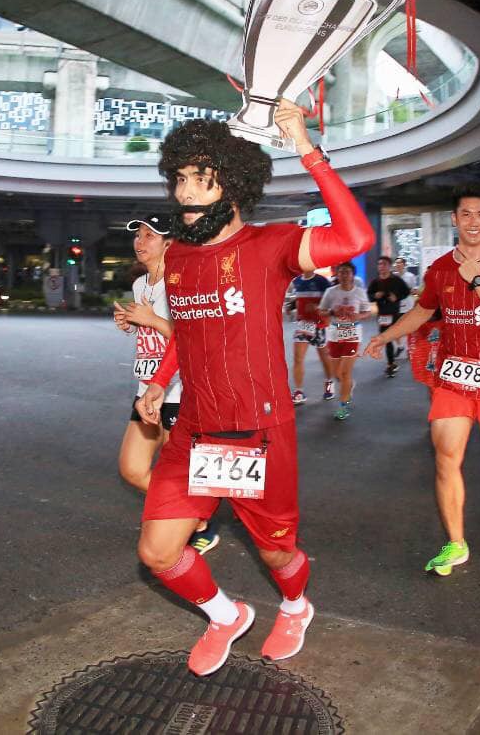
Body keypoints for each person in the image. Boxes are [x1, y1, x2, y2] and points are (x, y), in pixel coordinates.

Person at [134, 99, 374, 676]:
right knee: (158, 552)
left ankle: (295, 605)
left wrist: (306, 148)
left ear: (234, 185)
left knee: (276, 551)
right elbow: (187, 333)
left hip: (258, 433)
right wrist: (159, 382)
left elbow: (356, 236)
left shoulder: (274, 244)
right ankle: (225, 616)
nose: (185, 192)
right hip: (194, 430)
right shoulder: (179, 257)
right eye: (179, 179)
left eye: (201, 179)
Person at [365, 187, 480, 577]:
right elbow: (423, 311)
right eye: (466, 214)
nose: (474, 222)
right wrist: (385, 336)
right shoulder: (438, 269)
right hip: (453, 376)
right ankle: (456, 543)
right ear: (455, 220)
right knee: (445, 457)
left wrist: (478, 282)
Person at [113, 214, 221, 555]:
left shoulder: (183, 282)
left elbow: (193, 337)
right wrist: (132, 323)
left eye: (149, 235)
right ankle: (194, 516)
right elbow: (149, 330)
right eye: (138, 235)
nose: (140, 242)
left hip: (179, 391)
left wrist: (153, 320)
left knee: (181, 471)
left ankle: (194, 525)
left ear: (169, 243)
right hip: (146, 389)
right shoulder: (139, 284)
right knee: (132, 468)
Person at [319, 262, 372, 420]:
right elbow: (321, 311)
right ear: (337, 274)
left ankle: (343, 406)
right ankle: (348, 385)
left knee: (345, 372)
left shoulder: (360, 292)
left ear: (352, 275)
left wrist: (359, 316)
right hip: (335, 334)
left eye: (347, 272)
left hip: (353, 334)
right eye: (341, 272)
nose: (344, 275)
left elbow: (367, 312)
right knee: (337, 373)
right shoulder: (330, 292)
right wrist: (331, 312)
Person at [283, 269, 333, 404]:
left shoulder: (322, 281)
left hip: (320, 324)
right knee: (298, 358)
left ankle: (329, 384)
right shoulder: (297, 281)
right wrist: (291, 306)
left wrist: (317, 307)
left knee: (324, 358)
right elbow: (298, 299)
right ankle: (299, 391)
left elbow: (331, 302)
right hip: (303, 325)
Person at [367, 256, 411, 378]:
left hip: (394, 313)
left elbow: (406, 291)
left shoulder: (396, 280)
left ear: (389, 266)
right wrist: (375, 295)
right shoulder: (375, 282)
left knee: (392, 336)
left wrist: (396, 297)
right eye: (380, 264)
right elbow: (369, 296)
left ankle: (400, 352)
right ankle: (391, 364)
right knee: (386, 339)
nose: (382, 266)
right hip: (382, 314)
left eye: (384, 264)